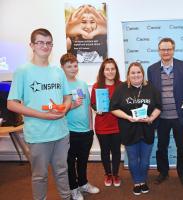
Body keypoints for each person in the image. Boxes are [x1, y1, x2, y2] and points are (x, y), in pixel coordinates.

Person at [7, 28, 72, 200]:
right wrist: (42, 115)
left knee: (62, 171)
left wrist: (65, 107)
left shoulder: (58, 71)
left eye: (49, 43)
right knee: (39, 176)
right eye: (40, 42)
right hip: (37, 134)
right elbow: (11, 104)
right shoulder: (23, 71)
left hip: (61, 132)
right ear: (32, 45)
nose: (45, 46)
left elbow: (68, 97)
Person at [110, 62, 161, 195]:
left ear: (142, 74)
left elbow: (158, 107)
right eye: (132, 72)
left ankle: (143, 180)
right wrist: (127, 117)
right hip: (129, 129)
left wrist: (151, 118)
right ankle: (137, 182)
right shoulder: (121, 88)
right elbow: (113, 108)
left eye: (138, 72)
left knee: (145, 159)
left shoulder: (151, 88)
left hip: (147, 130)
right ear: (128, 75)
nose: (136, 75)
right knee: (133, 159)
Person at [147, 37, 183, 188]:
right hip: (161, 117)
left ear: (173, 50)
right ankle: (163, 172)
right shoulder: (152, 69)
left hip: (179, 116)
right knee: (161, 146)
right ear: (159, 51)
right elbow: (151, 94)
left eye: (169, 49)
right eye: (163, 49)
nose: (166, 52)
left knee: (182, 147)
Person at [60, 53, 99, 200]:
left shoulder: (82, 84)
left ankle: (83, 183)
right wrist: (71, 106)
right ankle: (73, 188)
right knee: (70, 162)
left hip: (85, 131)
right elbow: (57, 108)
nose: (73, 68)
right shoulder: (60, 85)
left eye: (75, 65)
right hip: (69, 131)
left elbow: (88, 106)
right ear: (62, 67)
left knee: (83, 161)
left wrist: (91, 128)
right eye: (69, 66)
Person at [91, 58, 122, 187]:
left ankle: (115, 174)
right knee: (104, 151)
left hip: (118, 125)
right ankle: (107, 174)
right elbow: (93, 103)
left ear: (116, 70)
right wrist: (96, 109)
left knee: (116, 151)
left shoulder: (122, 85)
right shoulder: (97, 86)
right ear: (103, 71)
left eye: (112, 69)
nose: (110, 71)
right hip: (102, 125)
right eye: (107, 69)